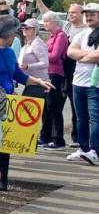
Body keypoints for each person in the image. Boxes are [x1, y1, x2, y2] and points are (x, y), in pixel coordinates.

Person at [0, 16, 53, 189]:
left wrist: (38, 81)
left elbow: (18, 75)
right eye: (15, 33)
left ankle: (3, 180)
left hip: (7, 100)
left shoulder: (9, 51)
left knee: (3, 141)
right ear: (7, 33)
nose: (16, 36)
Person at [66, 3, 99, 165]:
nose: (89, 16)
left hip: (95, 84)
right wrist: (89, 55)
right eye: (86, 14)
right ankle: (84, 148)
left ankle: (95, 150)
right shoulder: (82, 34)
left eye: (93, 14)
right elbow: (70, 52)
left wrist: (81, 56)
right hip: (78, 81)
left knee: (95, 118)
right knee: (81, 118)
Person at [40, 11, 69, 149]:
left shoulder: (61, 35)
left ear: (55, 22)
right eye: (44, 21)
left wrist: (41, 55)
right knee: (46, 107)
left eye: (48, 21)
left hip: (56, 74)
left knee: (53, 106)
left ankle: (58, 139)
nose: (45, 23)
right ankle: (45, 136)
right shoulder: (51, 37)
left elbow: (55, 55)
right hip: (48, 73)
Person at [19, 18, 51, 144]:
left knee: (29, 111)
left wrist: (28, 67)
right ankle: (29, 139)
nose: (24, 30)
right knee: (28, 110)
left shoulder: (37, 43)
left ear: (35, 30)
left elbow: (45, 63)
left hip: (38, 82)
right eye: (23, 28)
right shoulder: (28, 43)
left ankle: (29, 140)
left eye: (28, 28)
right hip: (30, 81)